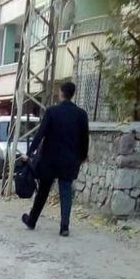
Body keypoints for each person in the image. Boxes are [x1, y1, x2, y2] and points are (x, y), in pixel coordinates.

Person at [22, 81, 89, 237]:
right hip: (70, 160)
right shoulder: (81, 114)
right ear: (73, 94)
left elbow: (41, 134)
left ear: (61, 93)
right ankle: (64, 227)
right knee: (66, 192)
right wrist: (83, 155)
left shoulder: (52, 112)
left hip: (50, 160)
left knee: (43, 191)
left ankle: (32, 220)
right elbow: (85, 138)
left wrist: (30, 152)